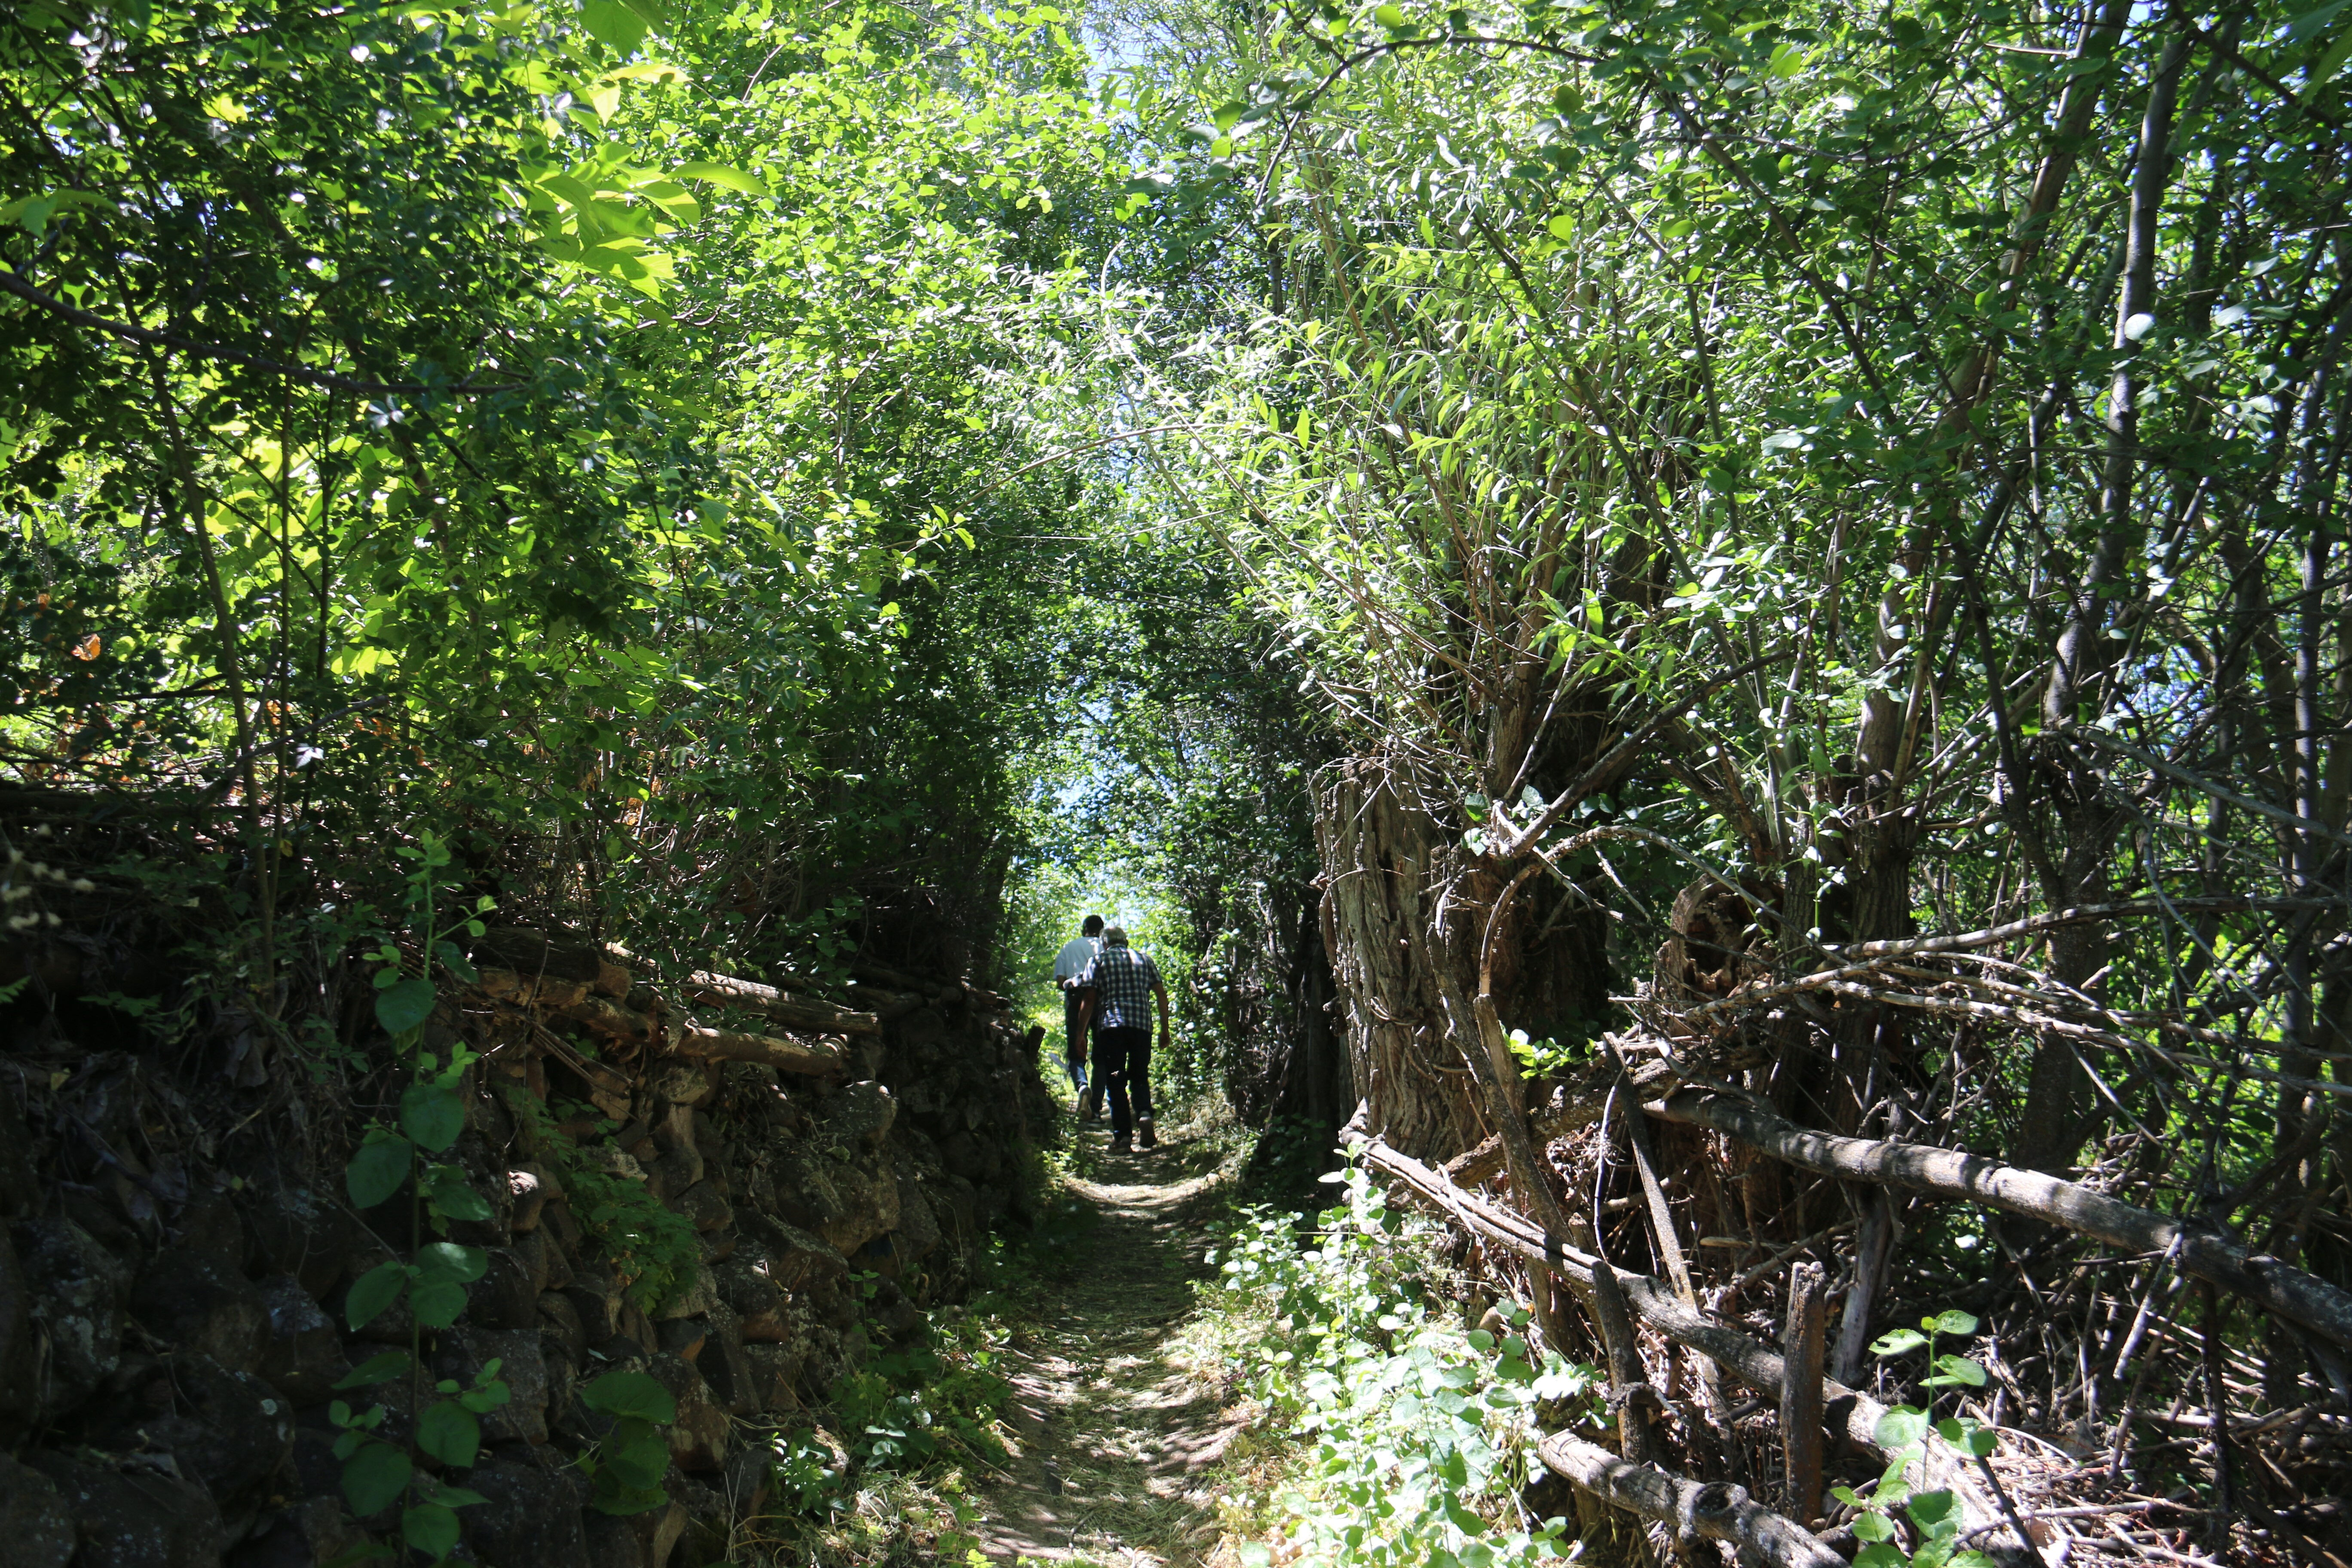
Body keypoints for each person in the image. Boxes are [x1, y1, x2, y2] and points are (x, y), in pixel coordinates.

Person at [1073, 925, 1169, 1155]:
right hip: (1141, 1028)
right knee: (1139, 1075)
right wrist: (1165, 1029)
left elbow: (1089, 998)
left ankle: (1123, 1138)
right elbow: (1161, 993)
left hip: (1112, 1029)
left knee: (1116, 1079)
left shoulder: (1098, 961)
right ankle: (1144, 1113)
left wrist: (1080, 1034)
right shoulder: (1144, 959)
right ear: (1125, 941)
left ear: (1105, 943)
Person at [1052, 914, 1104, 1120]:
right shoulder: (1105, 948)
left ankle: (1082, 1086)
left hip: (1075, 997)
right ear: (1101, 930)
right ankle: (1096, 1109)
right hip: (1102, 999)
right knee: (1101, 1056)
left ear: (1084, 929)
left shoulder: (1069, 947)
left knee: (1076, 1050)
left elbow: (1060, 981)